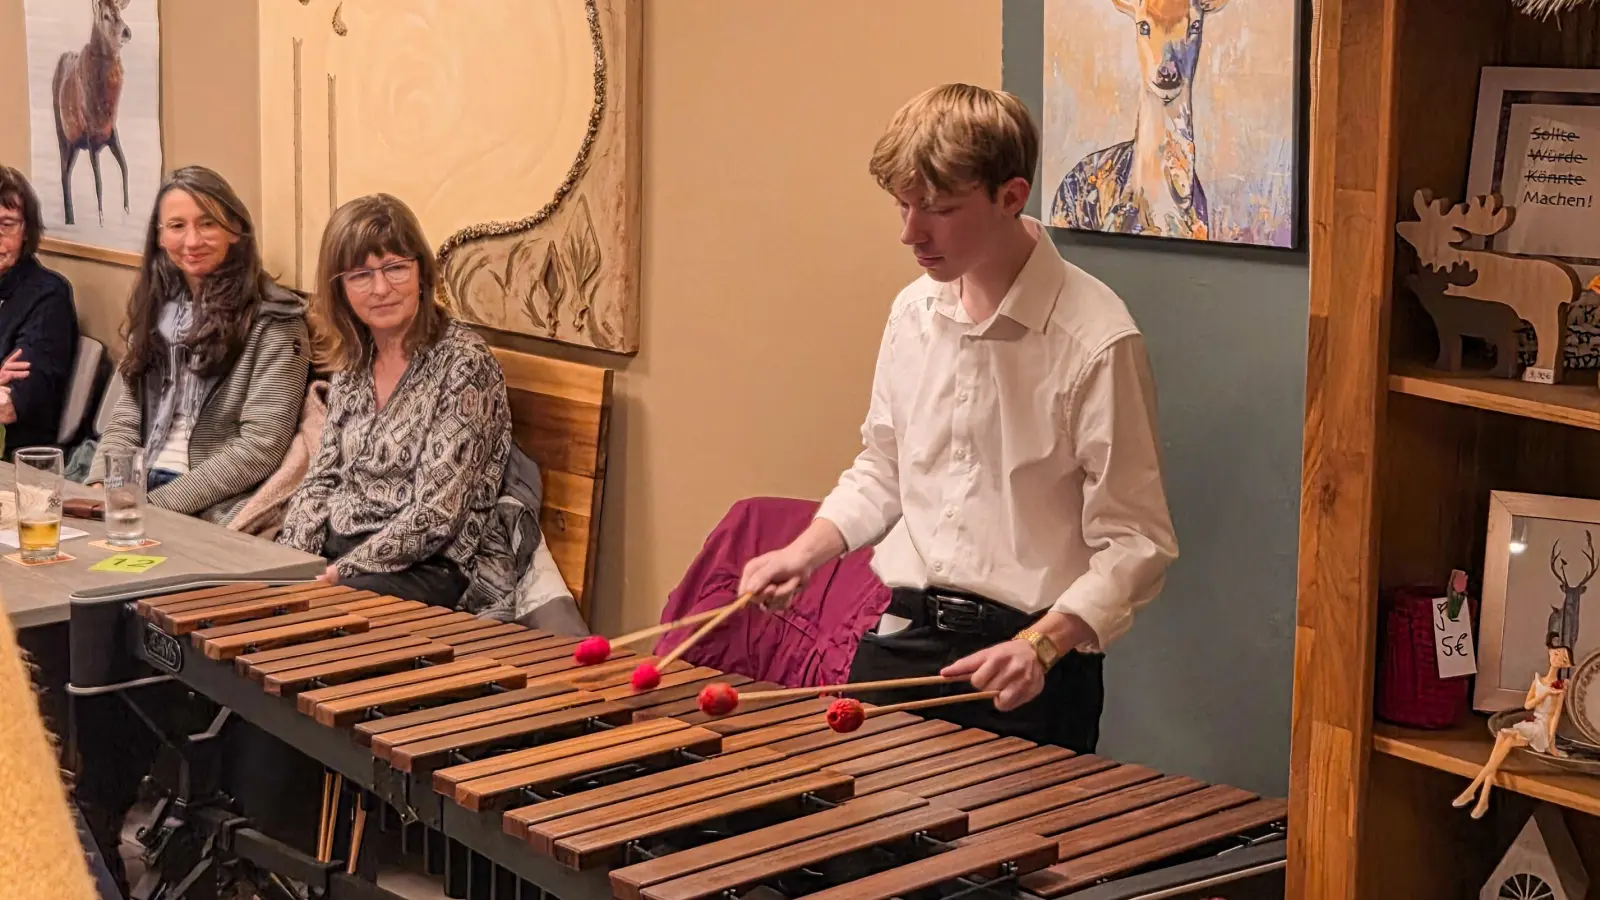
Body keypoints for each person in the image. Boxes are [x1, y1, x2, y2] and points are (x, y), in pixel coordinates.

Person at [738, 84, 1178, 752]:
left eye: (939, 210)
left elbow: (1137, 543)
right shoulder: (913, 313)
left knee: (999, 856)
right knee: (843, 845)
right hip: (906, 635)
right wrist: (802, 554)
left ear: (1010, 195)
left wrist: (1041, 644)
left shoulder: (1095, 340)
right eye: (904, 205)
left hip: (1030, 663)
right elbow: (883, 469)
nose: (911, 232)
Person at [278, 193, 512, 607]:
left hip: (429, 566)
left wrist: (340, 573)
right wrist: (291, 559)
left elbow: (437, 515)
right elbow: (322, 478)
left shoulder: (464, 365)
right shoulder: (355, 357)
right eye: (361, 275)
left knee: (318, 614)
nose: (381, 288)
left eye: (395, 268)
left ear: (421, 271)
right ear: (341, 288)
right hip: (342, 550)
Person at [87, 166, 309, 523]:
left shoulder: (276, 321)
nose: (192, 241)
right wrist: (105, 489)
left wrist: (154, 506)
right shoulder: (156, 307)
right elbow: (128, 415)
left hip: (213, 505)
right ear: (159, 237)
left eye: (208, 224)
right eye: (177, 226)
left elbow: (260, 447)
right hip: (138, 488)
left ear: (235, 231)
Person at [0, 166, 80, 457]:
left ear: (26, 231)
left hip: (17, 458)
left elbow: (11, 405)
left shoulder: (48, 296)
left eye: (7, 224)